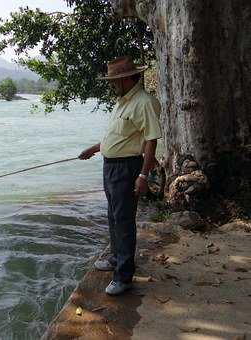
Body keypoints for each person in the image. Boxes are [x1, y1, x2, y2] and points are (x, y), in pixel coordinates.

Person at [79, 56, 162, 296]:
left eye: (114, 80)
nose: (111, 84)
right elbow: (116, 138)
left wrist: (143, 176)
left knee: (124, 220)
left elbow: (150, 140)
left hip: (127, 168)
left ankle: (124, 276)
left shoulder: (144, 102)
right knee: (114, 217)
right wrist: (94, 149)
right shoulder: (122, 102)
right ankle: (116, 258)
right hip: (111, 167)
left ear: (126, 79)